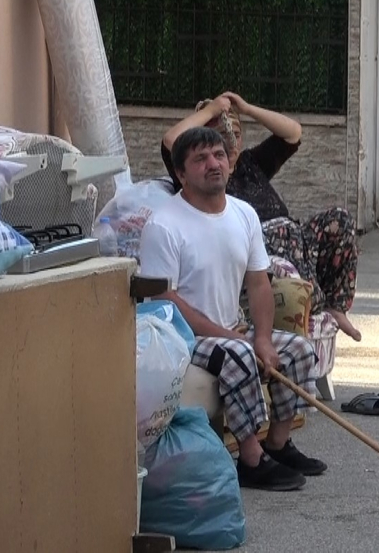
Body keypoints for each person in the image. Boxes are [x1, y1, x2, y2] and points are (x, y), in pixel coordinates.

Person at [137, 126, 327, 492]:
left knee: (298, 350)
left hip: (231, 330)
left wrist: (264, 339)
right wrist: (231, 337)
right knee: (237, 354)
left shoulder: (244, 214)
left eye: (219, 155)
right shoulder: (163, 224)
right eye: (201, 159)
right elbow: (165, 301)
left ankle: (278, 444)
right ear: (181, 174)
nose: (213, 164)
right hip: (181, 338)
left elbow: (259, 283)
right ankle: (251, 459)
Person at [160, 92, 363, 342]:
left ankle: (335, 306)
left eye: (236, 135)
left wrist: (247, 109)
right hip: (267, 252)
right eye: (222, 138)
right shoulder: (201, 176)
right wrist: (211, 111)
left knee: (339, 219)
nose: (230, 144)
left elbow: (293, 132)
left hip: (297, 241)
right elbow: (171, 141)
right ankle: (313, 298)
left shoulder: (250, 163)